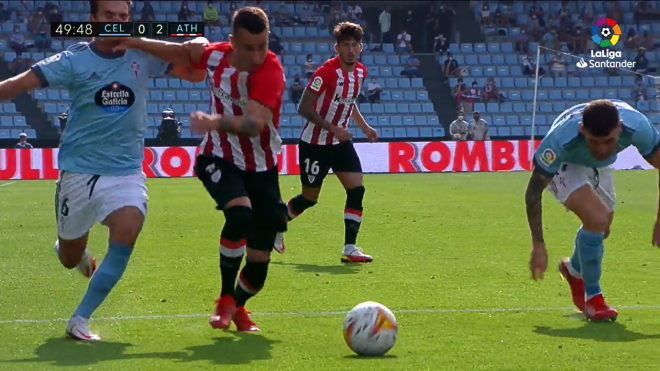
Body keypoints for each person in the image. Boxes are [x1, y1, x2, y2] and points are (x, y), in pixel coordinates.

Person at [0, 0, 205, 342]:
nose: (117, 22)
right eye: (109, 16)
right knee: (68, 258)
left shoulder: (142, 54)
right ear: (93, 19)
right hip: (78, 172)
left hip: (125, 171)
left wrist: (195, 49)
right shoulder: (73, 60)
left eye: (123, 17)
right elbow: (19, 84)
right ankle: (73, 251)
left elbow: (196, 71)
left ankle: (80, 318)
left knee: (127, 231)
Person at [122, 6, 288, 332]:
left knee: (258, 264)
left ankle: (238, 305)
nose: (257, 55)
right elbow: (179, 51)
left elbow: (255, 124)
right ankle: (226, 299)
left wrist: (213, 121)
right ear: (231, 43)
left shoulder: (270, 71)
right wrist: (132, 41)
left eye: (263, 45)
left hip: (262, 168)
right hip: (217, 158)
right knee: (239, 214)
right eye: (248, 47)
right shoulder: (215, 57)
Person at [526, 99, 660, 322]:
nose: (602, 149)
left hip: (600, 167)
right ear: (582, 130)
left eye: (609, 141)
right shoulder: (559, 141)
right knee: (597, 219)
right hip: (565, 163)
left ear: (619, 128)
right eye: (594, 142)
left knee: (602, 228)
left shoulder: (638, 126)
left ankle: (573, 270)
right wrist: (538, 244)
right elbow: (532, 193)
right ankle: (594, 300)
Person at [284, 22, 378, 264]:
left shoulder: (360, 72)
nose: (350, 50)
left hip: (340, 145)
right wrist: (333, 128)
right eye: (345, 45)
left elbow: (349, 102)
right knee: (309, 198)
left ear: (360, 47)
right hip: (314, 144)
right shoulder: (325, 73)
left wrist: (365, 127)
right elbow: (303, 107)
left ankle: (350, 248)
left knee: (357, 190)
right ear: (337, 48)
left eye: (354, 45)